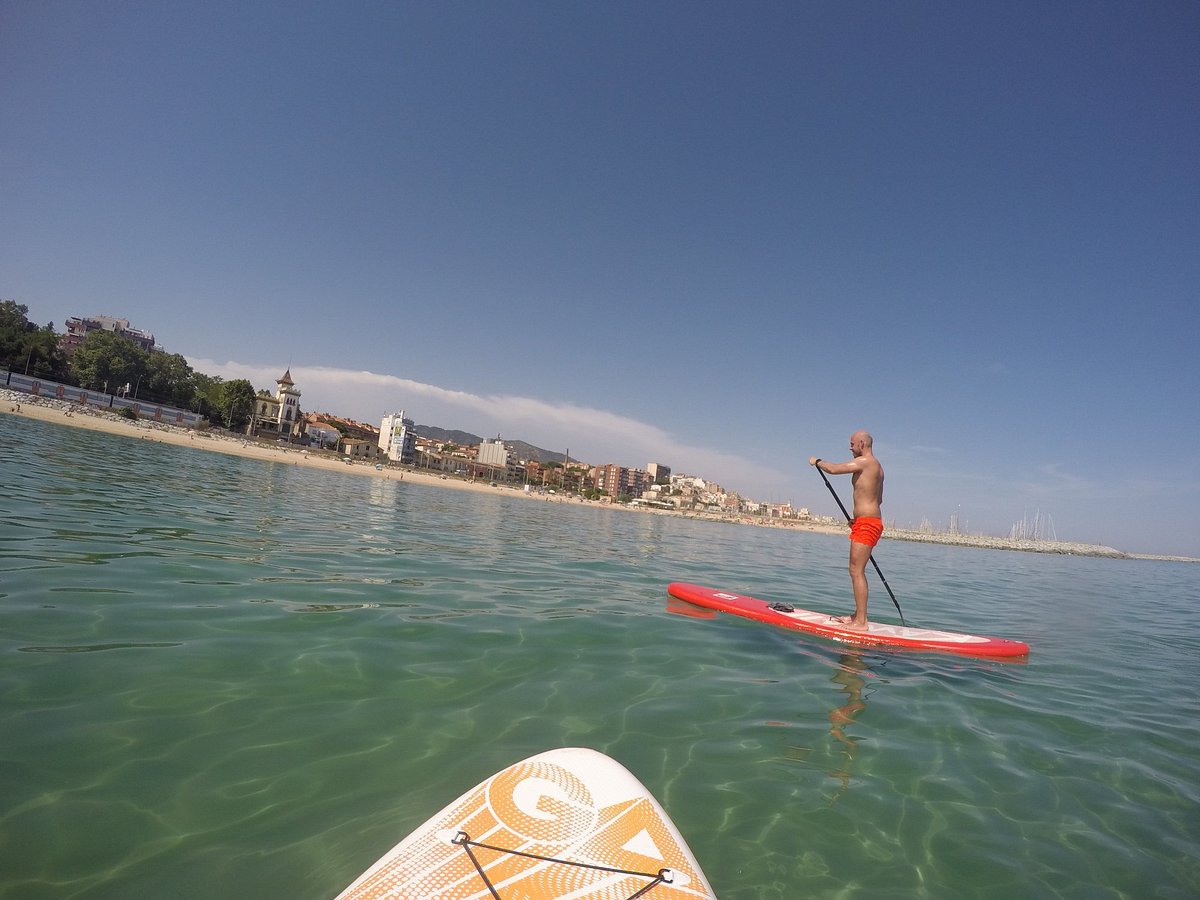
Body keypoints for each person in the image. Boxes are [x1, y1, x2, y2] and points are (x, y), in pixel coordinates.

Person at [809, 431, 884, 630]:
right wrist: (858, 518)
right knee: (856, 570)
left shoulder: (866, 462)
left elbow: (834, 469)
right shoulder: (878, 468)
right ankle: (857, 616)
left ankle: (861, 622)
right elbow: (878, 500)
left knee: (856, 570)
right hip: (867, 521)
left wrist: (817, 461)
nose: (850, 447)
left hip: (868, 524)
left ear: (862, 443)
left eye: (852, 444)